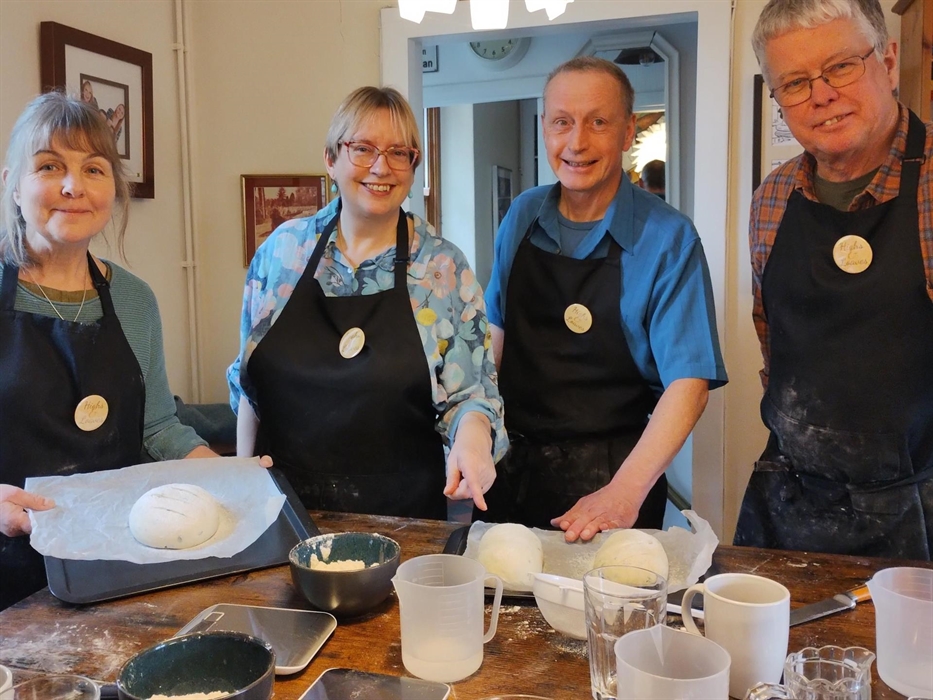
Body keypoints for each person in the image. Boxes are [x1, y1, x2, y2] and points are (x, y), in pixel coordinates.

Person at [228, 86, 507, 520]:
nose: (381, 167)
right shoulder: (282, 253)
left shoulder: (441, 267)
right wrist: (243, 482)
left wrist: (472, 442)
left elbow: (473, 396)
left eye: (399, 153)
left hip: (402, 522)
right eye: (363, 149)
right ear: (330, 159)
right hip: (279, 513)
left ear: (413, 167)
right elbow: (249, 384)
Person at [481, 57, 727, 542]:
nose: (577, 142)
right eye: (562, 123)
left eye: (598, 121)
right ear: (545, 127)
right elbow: (497, 334)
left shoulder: (668, 238)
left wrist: (624, 492)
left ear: (627, 129)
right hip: (511, 469)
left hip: (613, 478)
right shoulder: (523, 215)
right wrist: (474, 430)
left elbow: (689, 383)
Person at [0, 92, 218, 610]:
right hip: (8, 571)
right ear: (11, 183)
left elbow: (159, 428)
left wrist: (235, 475)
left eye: (93, 169)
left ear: (112, 191)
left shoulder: (133, 300)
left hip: (115, 565)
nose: (73, 186)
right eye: (50, 165)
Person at [734, 0, 933, 559]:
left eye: (841, 66)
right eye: (794, 83)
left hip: (916, 512)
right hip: (786, 497)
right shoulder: (772, 199)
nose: (821, 95)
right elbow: (774, 345)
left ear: (889, 62)